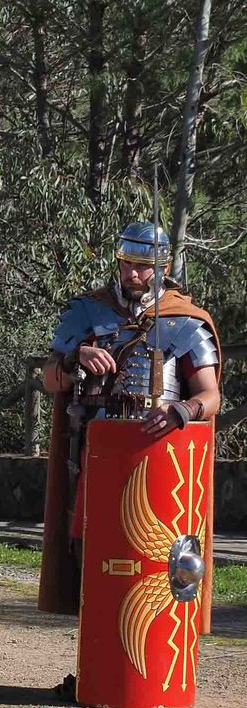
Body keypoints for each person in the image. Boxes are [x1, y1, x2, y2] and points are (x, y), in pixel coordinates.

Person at [37, 221, 221, 617]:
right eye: (127, 264)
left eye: (143, 266)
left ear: (163, 266)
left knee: (155, 561)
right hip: (95, 455)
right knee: (93, 553)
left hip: (158, 457)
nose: (133, 274)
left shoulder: (186, 322)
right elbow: (50, 380)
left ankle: (149, 670)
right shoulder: (88, 310)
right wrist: (74, 358)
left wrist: (181, 410)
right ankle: (96, 668)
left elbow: (211, 396)